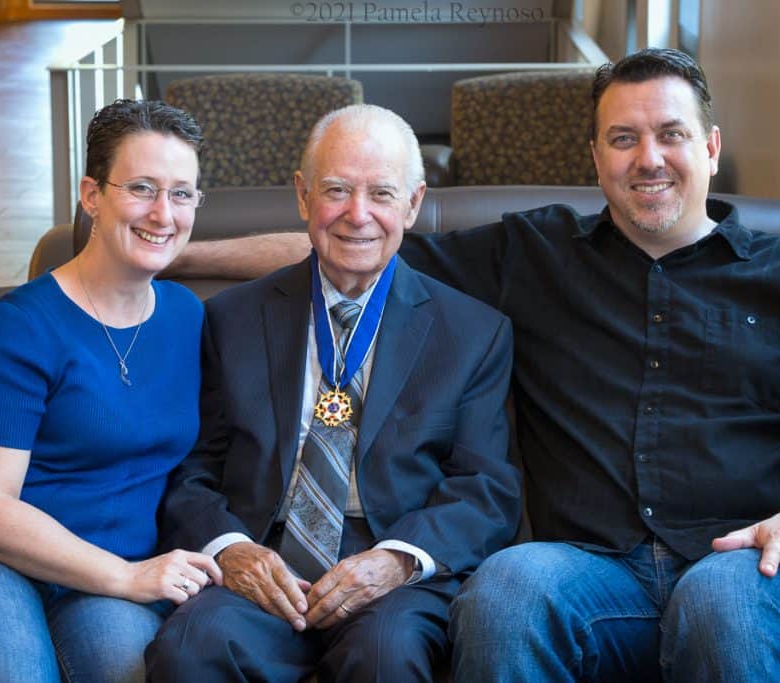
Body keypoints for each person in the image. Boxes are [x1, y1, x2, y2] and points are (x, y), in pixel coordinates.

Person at [165, 49, 780, 681]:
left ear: (710, 147)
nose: (648, 158)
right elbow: (355, 241)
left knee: (719, 606)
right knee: (506, 590)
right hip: (589, 571)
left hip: (742, 559)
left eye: (669, 134)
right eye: (623, 138)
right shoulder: (534, 255)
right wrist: (170, 252)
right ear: (594, 156)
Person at [144, 104, 520, 682]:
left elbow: (486, 488)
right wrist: (230, 548)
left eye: (382, 194)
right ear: (302, 197)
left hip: (390, 566)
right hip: (263, 556)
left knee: (387, 657)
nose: (357, 215)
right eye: (337, 190)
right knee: (190, 647)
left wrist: (397, 561)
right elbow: (193, 469)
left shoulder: (472, 332)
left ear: (414, 204)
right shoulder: (231, 318)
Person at [0, 99, 223, 682]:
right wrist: (129, 578)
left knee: (126, 670)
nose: (164, 213)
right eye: (142, 188)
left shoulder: (187, 316)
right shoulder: (22, 325)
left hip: (109, 566)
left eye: (182, 194)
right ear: (91, 195)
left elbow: (326, 258)